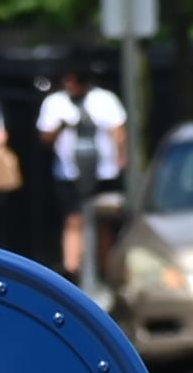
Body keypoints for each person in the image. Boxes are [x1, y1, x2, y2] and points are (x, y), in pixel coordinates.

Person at [37, 67, 128, 278]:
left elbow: (118, 130)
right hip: (69, 172)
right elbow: (45, 138)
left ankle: (105, 270)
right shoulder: (55, 103)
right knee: (74, 219)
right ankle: (73, 270)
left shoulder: (104, 99)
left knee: (102, 220)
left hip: (103, 171)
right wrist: (62, 126)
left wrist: (121, 157)